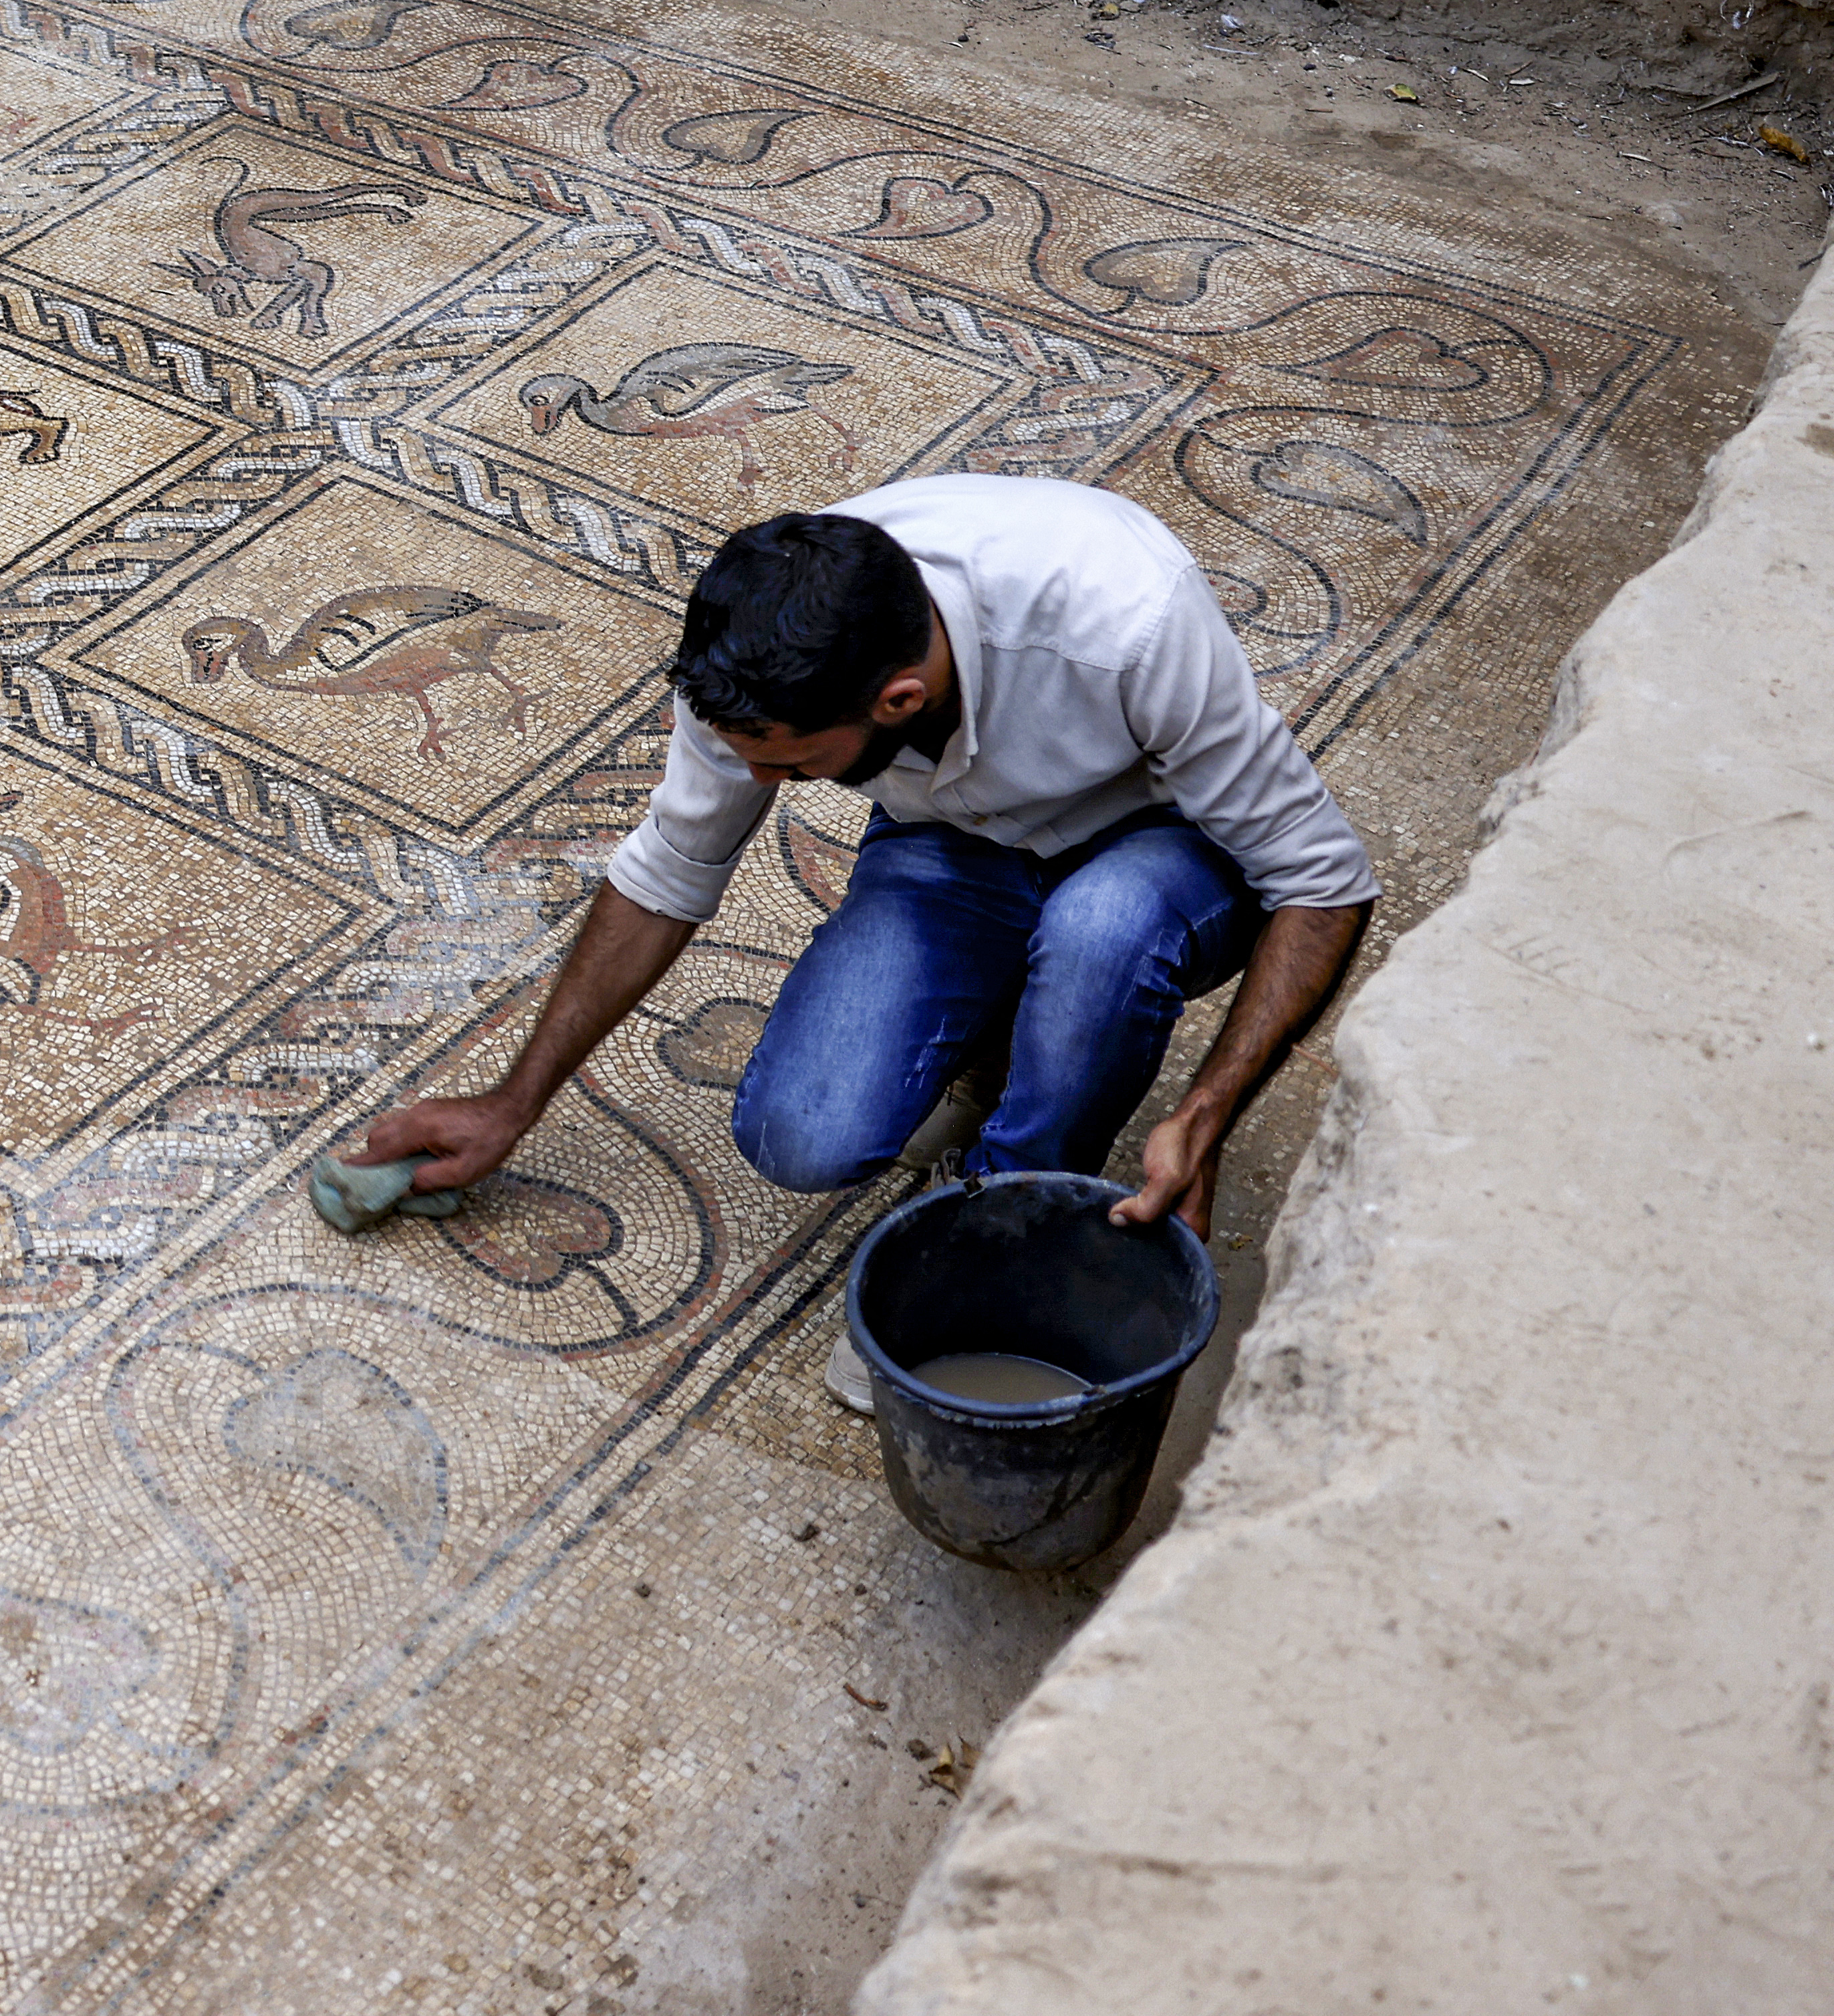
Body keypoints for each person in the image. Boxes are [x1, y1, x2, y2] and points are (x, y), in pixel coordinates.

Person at [338, 475, 1373, 1397]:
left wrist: (1207, 1113)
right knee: (803, 1132)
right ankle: (1004, 1029)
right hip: (961, 842)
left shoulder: (1123, 616)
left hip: (1162, 845)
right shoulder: (755, 661)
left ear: (899, 701)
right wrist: (515, 1102)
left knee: (1100, 931)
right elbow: (667, 873)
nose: (756, 784)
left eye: (792, 768)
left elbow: (1322, 879)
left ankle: (1003, 1224)